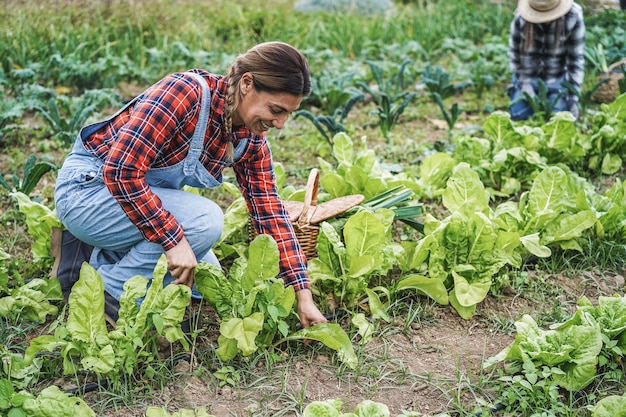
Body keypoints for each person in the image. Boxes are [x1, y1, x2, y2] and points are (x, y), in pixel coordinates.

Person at [53, 41, 327, 329]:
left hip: (127, 208)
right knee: (205, 222)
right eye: (276, 109)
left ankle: (85, 256)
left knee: (206, 277)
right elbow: (121, 172)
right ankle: (109, 292)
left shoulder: (250, 139)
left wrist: (302, 294)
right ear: (247, 83)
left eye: (288, 114)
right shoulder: (185, 93)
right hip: (88, 192)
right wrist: (172, 239)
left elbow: (270, 213)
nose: (281, 123)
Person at [507, 0, 585, 120]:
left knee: (556, 118)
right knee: (519, 114)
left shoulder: (573, 17)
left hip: (557, 80)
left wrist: (573, 99)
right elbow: (514, 56)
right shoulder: (520, 18)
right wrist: (524, 86)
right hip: (527, 78)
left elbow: (575, 61)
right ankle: (517, 91)